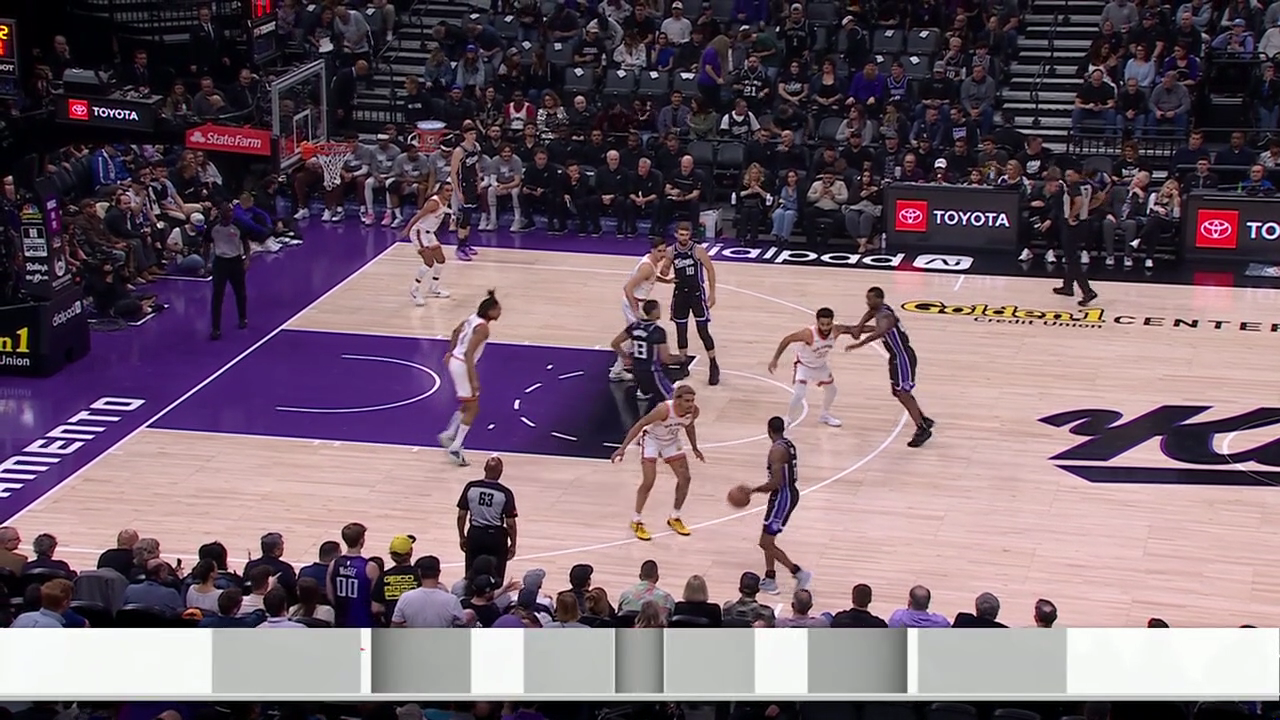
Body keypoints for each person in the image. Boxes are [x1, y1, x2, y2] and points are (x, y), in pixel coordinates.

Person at [610, 384, 704, 541]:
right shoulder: (663, 410)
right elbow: (641, 424)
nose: (691, 404)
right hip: (652, 441)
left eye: (692, 400)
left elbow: (690, 427)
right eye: (687, 401)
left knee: (685, 478)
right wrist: (622, 448)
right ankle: (636, 520)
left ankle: (675, 517)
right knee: (649, 481)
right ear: (677, 400)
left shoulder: (694, 411)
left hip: (671, 441)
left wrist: (695, 448)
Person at [846, 286, 935, 448]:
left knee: (903, 393)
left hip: (902, 357)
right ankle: (922, 419)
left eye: (870, 299)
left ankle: (922, 428)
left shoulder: (886, 316)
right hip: (896, 357)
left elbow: (880, 331)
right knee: (899, 392)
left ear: (879, 299)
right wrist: (859, 325)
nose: (867, 302)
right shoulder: (879, 310)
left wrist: (859, 344)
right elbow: (870, 313)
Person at [741, 416, 812, 595]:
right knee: (769, 540)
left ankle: (798, 572)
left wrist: (753, 490)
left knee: (765, 543)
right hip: (783, 495)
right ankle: (770, 578)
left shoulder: (776, 451)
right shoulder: (788, 444)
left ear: (769, 430)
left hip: (783, 497)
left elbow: (775, 483)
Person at [440, 290, 503, 467]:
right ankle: (455, 447)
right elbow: (469, 353)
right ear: (490, 311)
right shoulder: (483, 329)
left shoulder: (471, 319)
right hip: (462, 365)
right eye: (498, 309)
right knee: (473, 409)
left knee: (468, 404)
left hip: (456, 361)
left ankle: (449, 434)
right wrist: (474, 379)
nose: (500, 312)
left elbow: (455, 332)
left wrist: (451, 352)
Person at [766, 307, 858, 428]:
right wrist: (775, 359)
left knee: (832, 391)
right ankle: (788, 418)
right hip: (804, 366)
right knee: (799, 394)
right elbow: (787, 339)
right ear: (817, 323)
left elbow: (855, 328)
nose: (825, 327)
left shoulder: (836, 330)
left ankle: (824, 415)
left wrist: (878, 329)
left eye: (828, 324)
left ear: (832, 322)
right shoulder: (808, 334)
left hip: (820, 366)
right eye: (822, 324)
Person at [666, 222, 720, 385]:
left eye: (686, 235)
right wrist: (664, 271)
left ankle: (713, 364)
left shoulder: (698, 250)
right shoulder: (671, 251)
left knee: (703, 331)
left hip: (696, 293)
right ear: (676, 234)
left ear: (690, 235)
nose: (684, 237)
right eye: (681, 234)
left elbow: (710, 269)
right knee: (681, 331)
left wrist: (712, 293)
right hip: (680, 294)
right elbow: (665, 270)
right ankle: (683, 363)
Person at [610, 237, 670, 382]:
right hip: (633, 302)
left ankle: (624, 364)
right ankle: (619, 369)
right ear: (652, 250)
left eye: (664, 251)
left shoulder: (652, 262)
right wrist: (635, 309)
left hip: (638, 302)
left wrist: (666, 280)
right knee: (636, 336)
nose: (662, 254)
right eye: (659, 251)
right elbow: (627, 288)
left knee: (636, 336)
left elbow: (651, 277)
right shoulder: (647, 267)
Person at [456, 455, 519, 580]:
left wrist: (462, 536)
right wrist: (513, 544)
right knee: (496, 574)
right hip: (496, 537)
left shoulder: (471, 487)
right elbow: (510, 524)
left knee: (471, 573)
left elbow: (461, 516)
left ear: (484, 469)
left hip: (475, 534)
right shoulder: (505, 493)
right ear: (501, 471)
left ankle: (471, 591)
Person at [610, 299, 676, 410]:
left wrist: (625, 357)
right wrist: (680, 359)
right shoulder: (658, 331)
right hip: (652, 372)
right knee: (672, 398)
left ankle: (642, 392)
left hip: (636, 371)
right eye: (658, 309)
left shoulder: (634, 326)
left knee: (648, 397)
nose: (660, 311)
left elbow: (615, 343)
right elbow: (665, 359)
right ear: (654, 311)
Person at [1048, 168, 1098, 306]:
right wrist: (1087, 209)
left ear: (1078, 174)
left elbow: (1079, 202)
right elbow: (1100, 197)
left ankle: (1087, 291)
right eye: (1066, 175)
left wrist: (1071, 215)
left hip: (1072, 225)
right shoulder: (1088, 185)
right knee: (1071, 256)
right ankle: (1068, 286)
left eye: (1070, 175)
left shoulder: (1074, 187)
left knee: (1072, 258)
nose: (1067, 178)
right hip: (1083, 222)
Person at [402, 182, 453, 304]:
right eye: (447, 190)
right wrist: (407, 229)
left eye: (451, 190)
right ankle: (414, 290)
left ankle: (434, 288)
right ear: (440, 191)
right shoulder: (434, 203)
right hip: (419, 232)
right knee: (429, 262)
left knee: (440, 259)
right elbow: (418, 216)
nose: (450, 193)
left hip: (430, 233)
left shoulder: (445, 201)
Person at [204, 202, 249, 340]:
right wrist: (206, 262)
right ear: (221, 214)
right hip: (220, 262)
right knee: (217, 295)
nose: (230, 214)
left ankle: (243, 317)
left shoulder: (239, 226)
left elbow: (245, 243)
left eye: (231, 211)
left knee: (240, 292)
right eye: (227, 212)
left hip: (236, 261)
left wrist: (247, 259)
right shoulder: (213, 227)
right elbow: (206, 244)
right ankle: (215, 328)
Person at [326, 521, 380, 628]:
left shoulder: (334, 564)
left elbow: (331, 597)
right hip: (364, 623)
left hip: (341, 622)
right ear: (362, 540)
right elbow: (376, 602)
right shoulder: (370, 567)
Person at [449, 122, 483, 260]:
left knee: (469, 216)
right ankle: (460, 247)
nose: (473, 136)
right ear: (464, 135)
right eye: (470, 134)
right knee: (464, 217)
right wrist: (458, 192)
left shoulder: (476, 147)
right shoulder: (459, 151)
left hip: (472, 183)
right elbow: (453, 173)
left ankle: (466, 243)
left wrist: (479, 182)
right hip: (462, 185)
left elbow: (476, 165)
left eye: (474, 133)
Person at [389, 144, 434, 228]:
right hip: (404, 181)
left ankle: (419, 215)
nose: (416, 154)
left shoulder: (423, 159)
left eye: (417, 152)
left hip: (418, 181)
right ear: (407, 153)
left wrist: (413, 180)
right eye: (413, 152)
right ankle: (398, 217)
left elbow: (425, 176)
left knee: (422, 188)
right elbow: (397, 176)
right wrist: (405, 180)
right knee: (392, 187)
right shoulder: (400, 159)